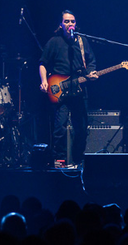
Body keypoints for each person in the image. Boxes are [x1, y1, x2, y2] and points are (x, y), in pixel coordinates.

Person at [39, 10, 98, 167]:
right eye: (66, 21)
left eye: (72, 21)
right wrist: (44, 80)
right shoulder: (54, 42)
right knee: (60, 128)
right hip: (60, 89)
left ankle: (79, 160)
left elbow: (91, 61)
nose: (70, 24)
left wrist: (90, 73)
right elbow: (43, 63)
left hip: (79, 89)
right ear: (61, 25)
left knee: (82, 128)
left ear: (75, 24)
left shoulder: (82, 41)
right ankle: (60, 160)